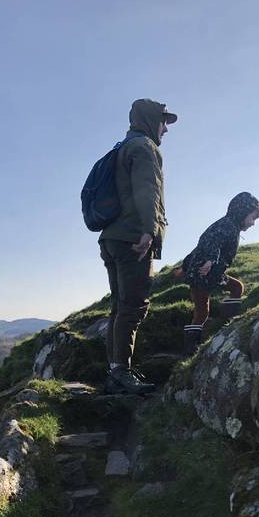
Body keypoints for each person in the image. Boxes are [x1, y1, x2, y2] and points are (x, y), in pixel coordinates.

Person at [99, 98, 177, 395]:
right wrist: (149, 230)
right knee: (133, 306)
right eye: (164, 122)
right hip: (132, 237)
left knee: (120, 305)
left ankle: (116, 370)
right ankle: (121, 373)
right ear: (149, 120)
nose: (166, 129)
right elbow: (148, 190)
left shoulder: (123, 147)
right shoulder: (145, 148)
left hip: (112, 237)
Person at [181, 192, 259, 355]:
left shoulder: (231, 226)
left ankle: (226, 323)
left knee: (236, 287)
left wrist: (185, 265)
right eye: (252, 218)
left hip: (214, 275)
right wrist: (210, 260)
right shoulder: (226, 226)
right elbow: (211, 242)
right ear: (242, 213)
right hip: (202, 275)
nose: (253, 223)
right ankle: (191, 347)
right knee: (202, 311)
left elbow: (202, 243)